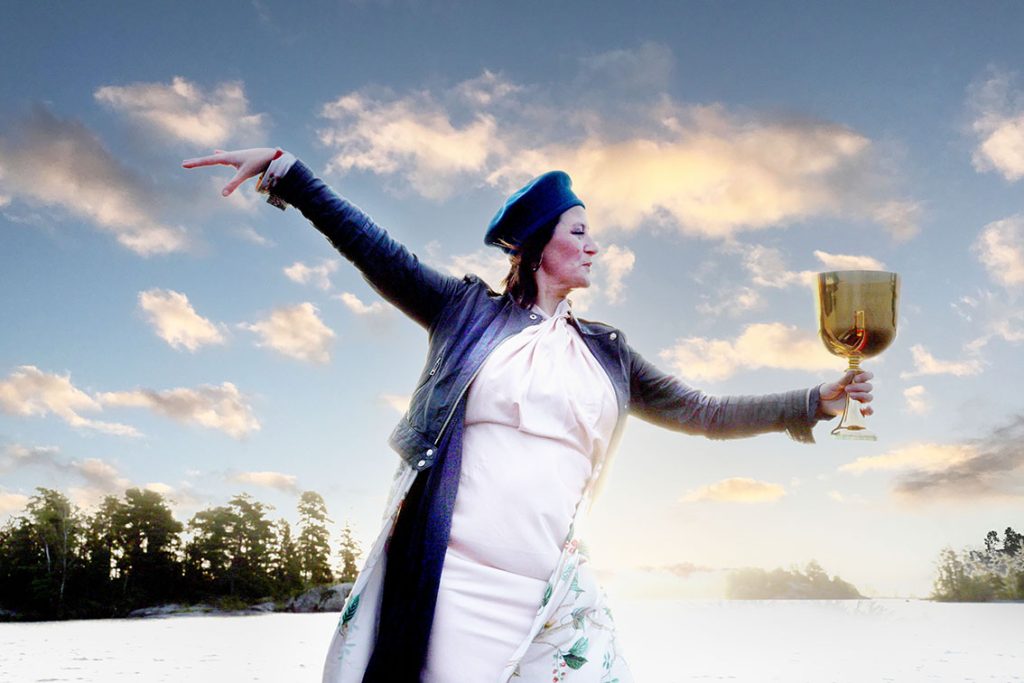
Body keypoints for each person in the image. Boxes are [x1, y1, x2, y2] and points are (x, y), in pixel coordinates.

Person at [182, 147, 874, 683]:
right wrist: (289, 173)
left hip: (554, 591)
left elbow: (703, 410)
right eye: (581, 230)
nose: (595, 245)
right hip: (452, 583)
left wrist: (814, 400)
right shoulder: (466, 314)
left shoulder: (608, 353)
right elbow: (376, 250)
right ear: (543, 243)